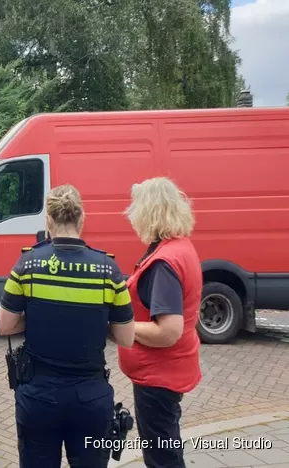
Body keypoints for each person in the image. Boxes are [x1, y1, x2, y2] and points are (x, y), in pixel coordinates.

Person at [0, 184, 135, 467]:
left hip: (38, 397)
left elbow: (4, 325)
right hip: (90, 399)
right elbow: (126, 337)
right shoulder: (108, 270)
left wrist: (37, 317)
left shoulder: (28, 264)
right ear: (82, 218)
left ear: (48, 220)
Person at [118, 177, 202, 468]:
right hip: (169, 371)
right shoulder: (179, 247)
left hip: (158, 375)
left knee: (161, 458)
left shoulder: (164, 262)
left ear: (149, 212)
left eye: (136, 209)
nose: (132, 216)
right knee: (167, 448)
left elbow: (168, 331)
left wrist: (120, 327)